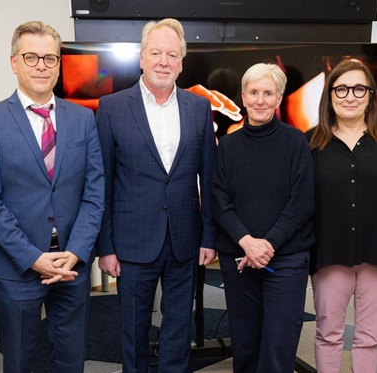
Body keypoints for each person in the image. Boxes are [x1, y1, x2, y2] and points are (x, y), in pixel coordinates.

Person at [0, 21, 104, 373]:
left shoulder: (83, 118)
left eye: (50, 58)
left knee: (72, 358)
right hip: (17, 267)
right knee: (20, 360)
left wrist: (76, 251)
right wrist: (33, 257)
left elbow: (94, 192)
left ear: (59, 64)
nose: (41, 66)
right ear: (13, 62)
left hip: (72, 264)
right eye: (31, 57)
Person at [95, 17, 217, 373]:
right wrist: (106, 245)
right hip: (132, 242)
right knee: (133, 328)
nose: (164, 61)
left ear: (181, 62)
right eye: (156, 53)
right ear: (142, 58)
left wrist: (208, 235)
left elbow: (207, 179)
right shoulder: (112, 108)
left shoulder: (198, 108)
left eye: (172, 54)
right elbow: (103, 182)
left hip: (185, 238)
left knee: (179, 326)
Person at [307, 59, 377, 373]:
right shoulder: (311, 143)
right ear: (329, 95)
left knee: (369, 337)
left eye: (359, 88)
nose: (350, 96)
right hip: (329, 256)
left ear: (371, 94)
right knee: (328, 334)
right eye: (341, 89)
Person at [211, 63, 314, 372]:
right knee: (244, 344)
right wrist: (247, 242)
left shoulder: (296, 142)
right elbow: (219, 200)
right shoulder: (227, 146)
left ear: (279, 98)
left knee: (278, 345)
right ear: (243, 96)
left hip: (286, 259)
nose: (260, 100)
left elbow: (302, 202)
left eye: (268, 93)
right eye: (254, 92)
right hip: (238, 257)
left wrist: (266, 245)